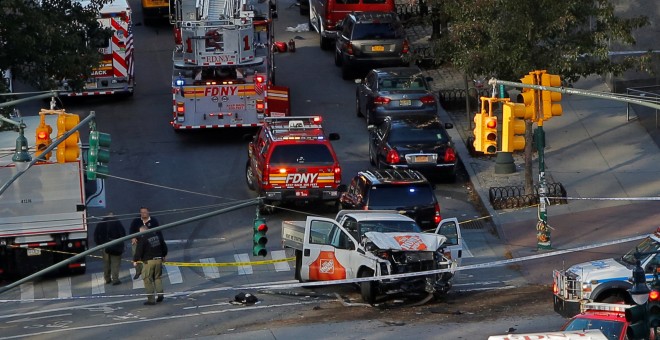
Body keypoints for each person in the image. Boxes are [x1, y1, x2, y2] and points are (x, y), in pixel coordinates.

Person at [133, 225, 168, 305]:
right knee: (157, 277)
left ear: (142, 231)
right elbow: (164, 248)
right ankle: (160, 295)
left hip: (148, 262)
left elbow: (139, 251)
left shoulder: (143, 239)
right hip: (159, 260)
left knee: (147, 279)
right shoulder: (158, 237)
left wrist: (135, 260)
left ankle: (151, 300)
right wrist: (163, 256)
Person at [93, 213, 126, 285]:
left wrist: (99, 245)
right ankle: (115, 279)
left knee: (106, 263)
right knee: (115, 263)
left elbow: (96, 235)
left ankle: (107, 278)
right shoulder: (117, 222)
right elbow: (123, 234)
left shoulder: (101, 223)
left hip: (104, 246)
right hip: (116, 245)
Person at [129, 207, 159, 279]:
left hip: (149, 243)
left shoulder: (153, 221)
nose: (143, 214)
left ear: (148, 212)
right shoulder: (136, 220)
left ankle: (151, 272)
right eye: (141, 212)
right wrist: (133, 237)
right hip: (138, 241)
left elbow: (158, 232)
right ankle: (138, 271)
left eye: (145, 212)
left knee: (149, 257)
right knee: (136, 255)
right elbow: (131, 230)